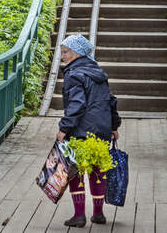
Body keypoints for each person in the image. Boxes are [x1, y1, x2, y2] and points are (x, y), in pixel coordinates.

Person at [56, 34, 121, 227]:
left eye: (66, 52)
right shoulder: (98, 73)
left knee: (76, 171)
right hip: (101, 131)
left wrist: (63, 128)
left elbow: (77, 104)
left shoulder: (74, 75)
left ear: (77, 53)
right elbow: (110, 101)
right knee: (97, 170)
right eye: (62, 52)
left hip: (80, 131)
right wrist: (113, 126)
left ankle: (79, 215)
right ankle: (98, 214)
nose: (62, 56)